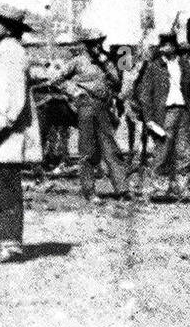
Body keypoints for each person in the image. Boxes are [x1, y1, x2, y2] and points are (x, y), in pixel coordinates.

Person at [0, 7, 43, 263]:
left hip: (6, 136)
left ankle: (11, 246)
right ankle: (7, 243)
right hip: (0, 137)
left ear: (8, 28)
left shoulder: (12, 54)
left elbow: (14, 101)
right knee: (1, 190)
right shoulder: (4, 52)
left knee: (6, 191)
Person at [44, 31, 130, 203]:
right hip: (85, 107)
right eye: (91, 43)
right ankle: (89, 191)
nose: (95, 46)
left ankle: (122, 189)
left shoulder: (106, 61)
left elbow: (117, 82)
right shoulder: (78, 61)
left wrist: (106, 64)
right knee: (87, 150)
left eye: (97, 43)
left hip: (103, 107)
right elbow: (55, 79)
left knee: (111, 148)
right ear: (86, 45)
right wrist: (74, 91)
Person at [133, 31, 190, 201]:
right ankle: (160, 189)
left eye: (168, 45)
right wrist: (148, 119)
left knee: (184, 151)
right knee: (163, 150)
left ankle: (183, 189)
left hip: (183, 111)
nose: (164, 48)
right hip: (164, 113)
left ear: (174, 46)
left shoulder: (185, 66)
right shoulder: (154, 67)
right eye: (162, 45)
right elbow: (145, 94)